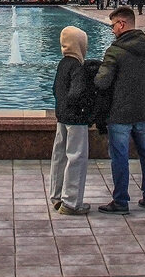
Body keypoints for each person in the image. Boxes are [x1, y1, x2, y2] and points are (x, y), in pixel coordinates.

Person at [94, 6, 145, 215]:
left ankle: (121, 201)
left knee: (120, 157)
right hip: (143, 111)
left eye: (113, 25)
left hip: (119, 113)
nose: (112, 30)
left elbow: (102, 82)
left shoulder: (115, 51)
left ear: (122, 24)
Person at [49, 26, 94, 215]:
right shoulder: (77, 66)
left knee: (59, 156)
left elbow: (55, 90)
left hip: (62, 116)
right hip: (76, 118)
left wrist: (63, 107)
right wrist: (85, 108)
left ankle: (57, 196)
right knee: (76, 157)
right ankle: (71, 202)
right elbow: (77, 93)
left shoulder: (63, 63)